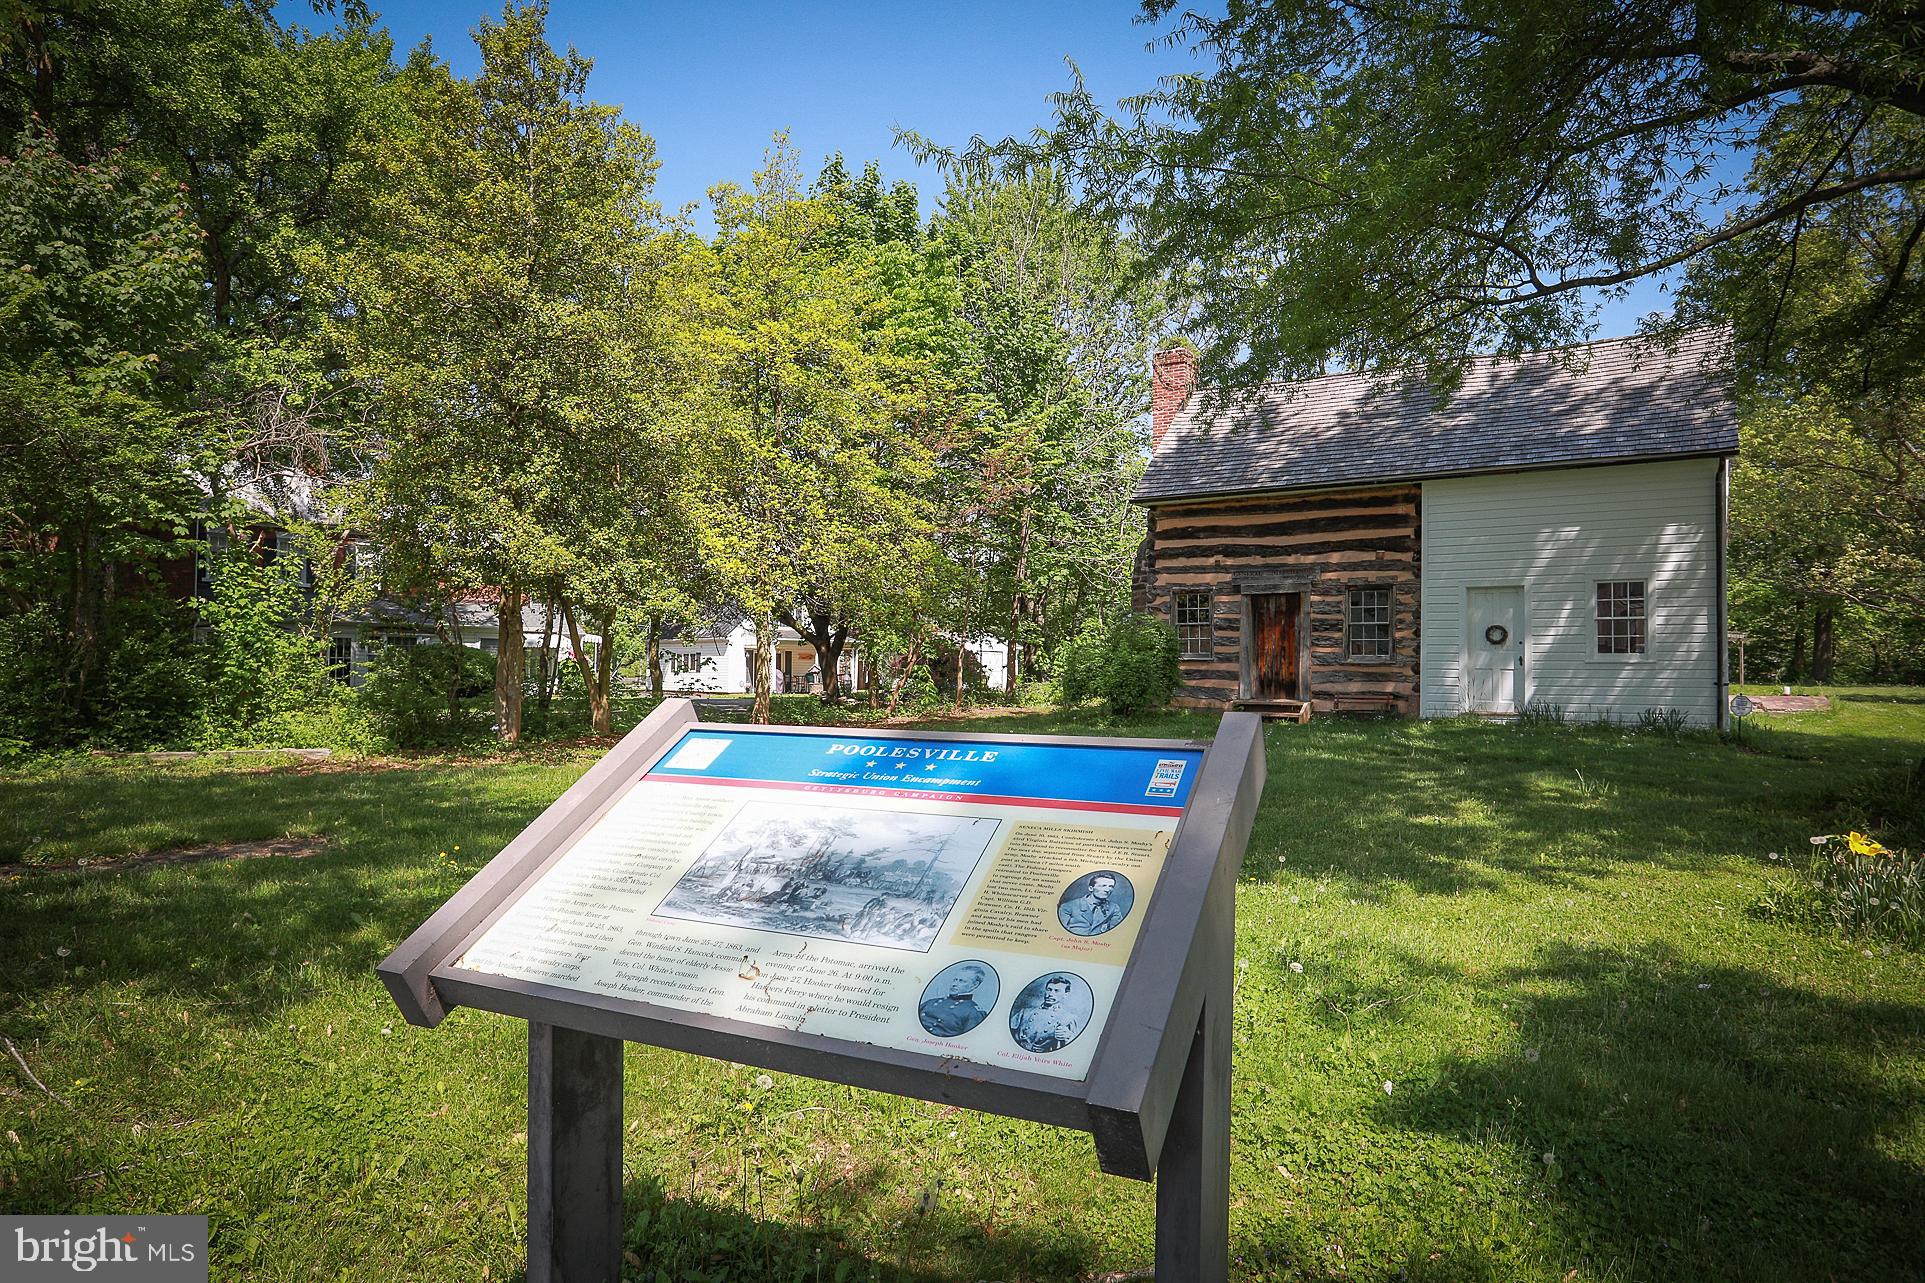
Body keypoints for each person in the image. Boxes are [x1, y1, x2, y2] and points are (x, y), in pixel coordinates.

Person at [1009, 976, 1082, 1052]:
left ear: (1065, 994)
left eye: (1056, 991)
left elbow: (1073, 1049)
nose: (1050, 994)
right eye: (1049, 989)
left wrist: (1068, 1036)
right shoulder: (1024, 1012)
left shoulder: (1068, 1018)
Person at [918, 964, 991, 1037]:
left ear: (974, 985)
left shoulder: (974, 1012)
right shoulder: (931, 1002)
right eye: (955, 980)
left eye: (961, 981)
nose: (954, 984)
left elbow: (968, 1039)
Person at [1058, 873, 1126, 937]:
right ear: (1091, 888)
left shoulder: (1114, 908)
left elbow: (1115, 934)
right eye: (1103, 886)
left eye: (1111, 886)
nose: (1107, 890)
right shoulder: (1068, 906)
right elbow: (1061, 933)